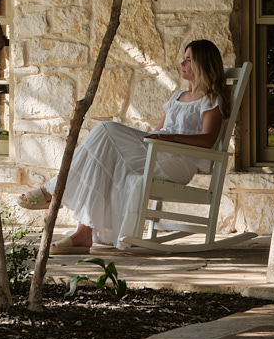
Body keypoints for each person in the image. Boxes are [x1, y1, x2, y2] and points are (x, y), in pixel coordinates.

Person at [17, 39, 229, 251]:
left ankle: (54, 190)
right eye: (183, 59)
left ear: (203, 64)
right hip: (159, 153)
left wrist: (169, 139)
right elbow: (157, 132)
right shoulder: (177, 97)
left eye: (189, 60)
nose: (182, 64)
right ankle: (83, 233)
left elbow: (208, 139)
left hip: (178, 162)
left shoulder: (210, 100)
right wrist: (157, 139)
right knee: (104, 157)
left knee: (106, 129)